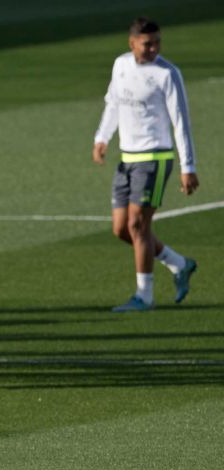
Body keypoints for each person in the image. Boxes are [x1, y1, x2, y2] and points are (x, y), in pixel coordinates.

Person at [93, 17, 198, 312]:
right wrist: (102, 136)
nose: (154, 49)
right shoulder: (121, 65)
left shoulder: (167, 74)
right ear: (132, 43)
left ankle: (144, 296)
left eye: (157, 43)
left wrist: (187, 166)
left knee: (138, 225)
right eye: (147, 43)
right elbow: (113, 102)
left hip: (155, 157)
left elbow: (181, 122)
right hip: (127, 158)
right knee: (121, 229)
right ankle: (180, 264)